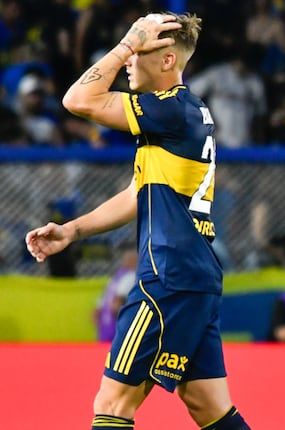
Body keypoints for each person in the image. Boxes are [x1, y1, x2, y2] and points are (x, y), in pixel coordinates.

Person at [24, 12, 251, 430]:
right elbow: (136, 194)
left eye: (139, 50)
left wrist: (126, 42)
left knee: (112, 404)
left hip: (167, 277)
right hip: (195, 277)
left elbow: (78, 100)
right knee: (208, 405)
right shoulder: (183, 113)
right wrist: (73, 230)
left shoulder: (170, 109)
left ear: (167, 60)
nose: (129, 60)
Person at [96, 244, 137, 342]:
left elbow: (96, 311)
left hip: (104, 327)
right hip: (117, 329)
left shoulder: (115, 278)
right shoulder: (130, 276)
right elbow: (117, 302)